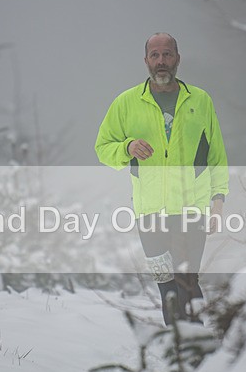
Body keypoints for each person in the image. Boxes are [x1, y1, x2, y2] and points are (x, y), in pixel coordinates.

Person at [95, 32, 229, 325]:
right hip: (150, 214)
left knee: (187, 282)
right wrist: (127, 148)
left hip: (192, 211)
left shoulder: (200, 100)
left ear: (177, 58)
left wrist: (218, 201)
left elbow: (216, 155)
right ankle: (182, 350)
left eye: (167, 54)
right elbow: (102, 148)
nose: (161, 61)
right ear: (146, 61)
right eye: (154, 55)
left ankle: (200, 348)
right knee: (167, 286)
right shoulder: (126, 103)